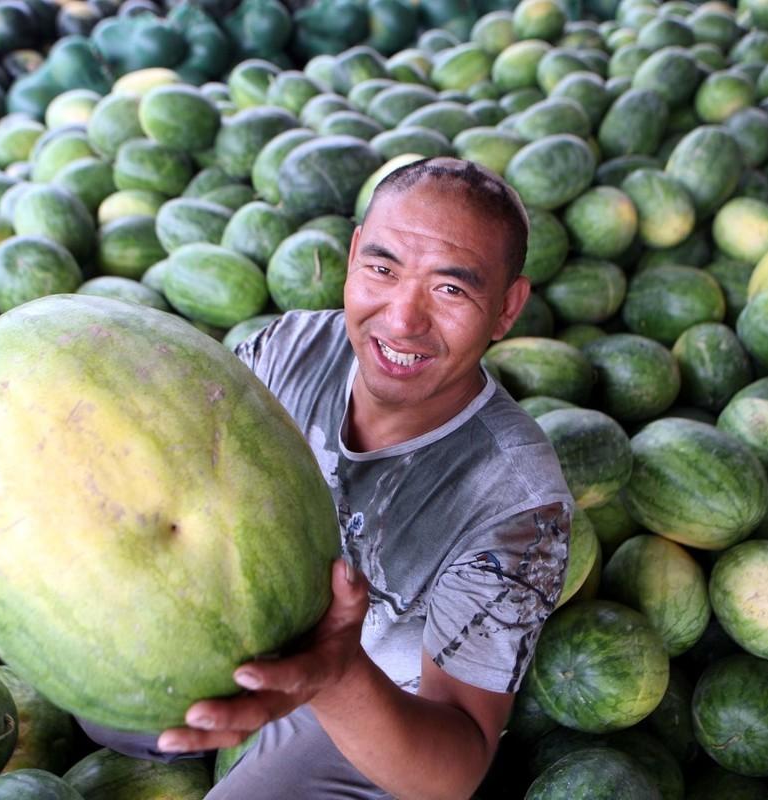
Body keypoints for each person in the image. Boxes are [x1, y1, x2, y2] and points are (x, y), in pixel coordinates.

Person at [80, 157, 573, 799]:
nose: (401, 321)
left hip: (380, 699)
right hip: (247, 614)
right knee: (100, 708)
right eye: (383, 268)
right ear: (352, 256)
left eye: (451, 290)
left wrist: (336, 678)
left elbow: (456, 766)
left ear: (507, 308)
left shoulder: (518, 507)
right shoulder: (286, 351)